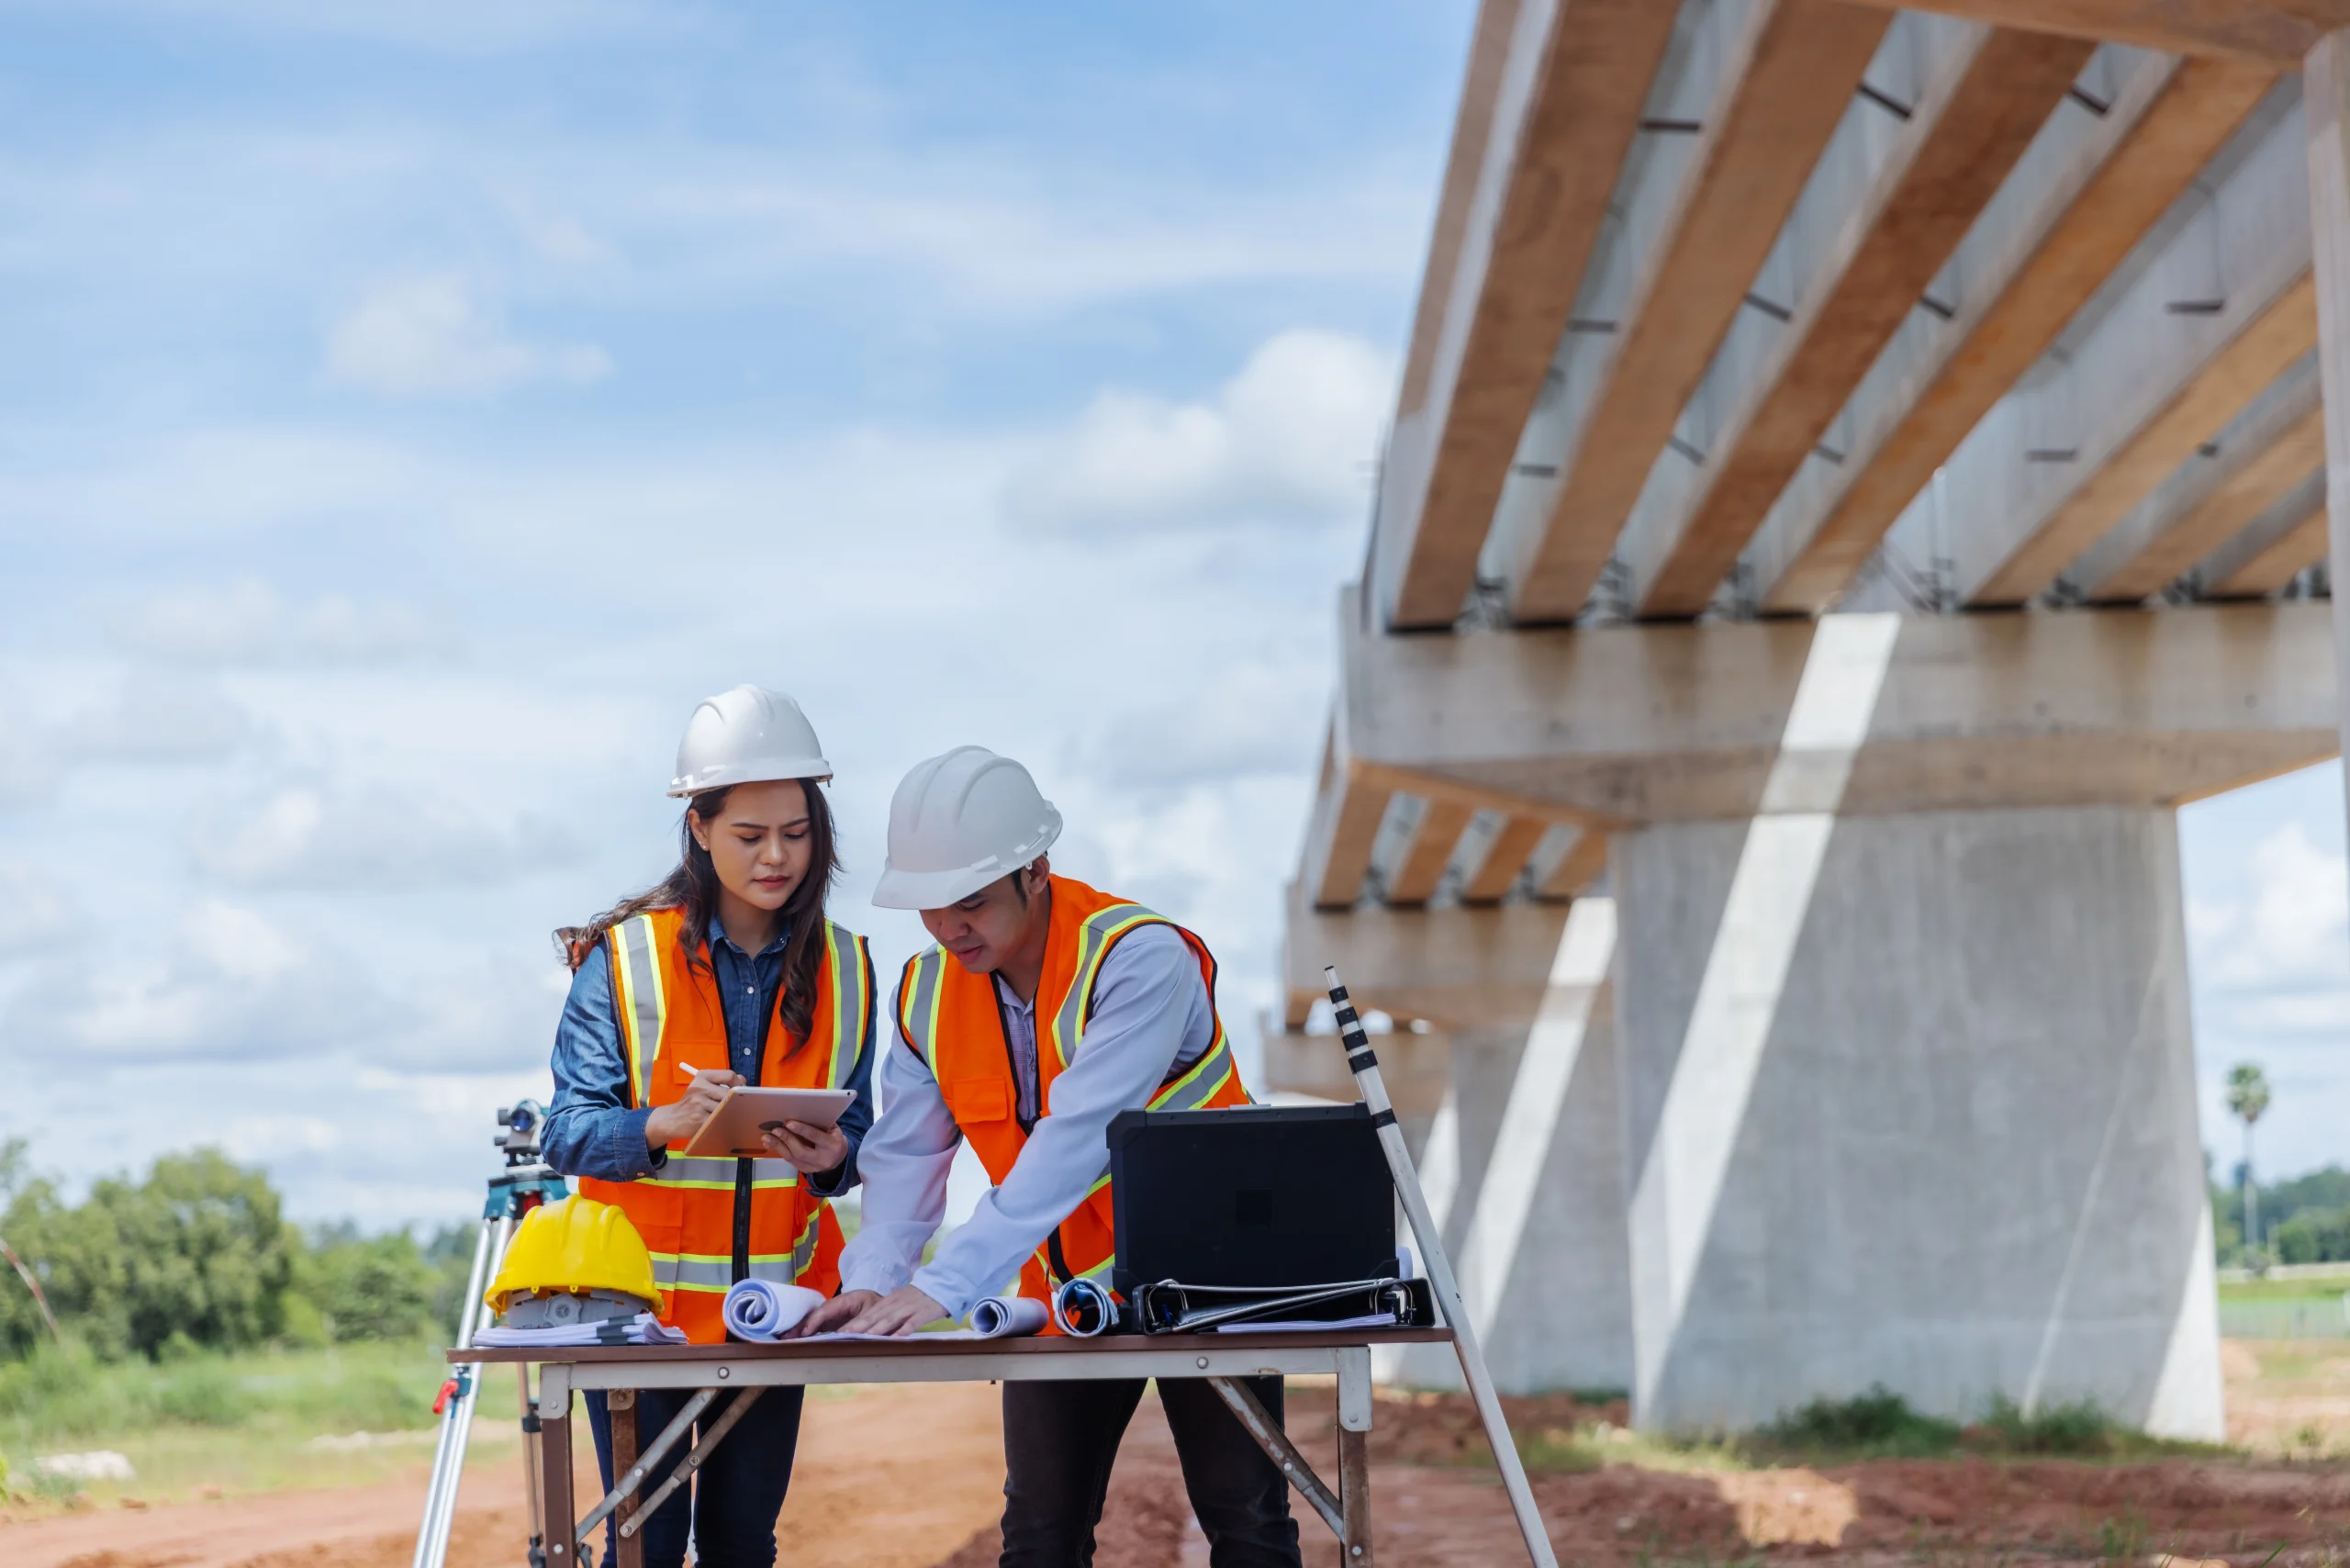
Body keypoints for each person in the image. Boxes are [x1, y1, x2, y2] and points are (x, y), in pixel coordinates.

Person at [795, 745, 1298, 1568]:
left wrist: (944, 1285)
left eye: (972, 903)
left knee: (1247, 1526)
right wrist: (871, 1285)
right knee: (1037, 1539)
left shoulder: (1139, 958)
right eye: (929, 907)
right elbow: (905, 1162)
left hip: (1206, 1282)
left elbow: (1076, 1140)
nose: (950, 928)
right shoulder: (927, 992)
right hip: (1060, 1297)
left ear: (1037, 872)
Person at [542, 685, 877, 1568]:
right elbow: (566, 1131)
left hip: (771, 1314)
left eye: (797, 834)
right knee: (645, 1549)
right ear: (699, 828)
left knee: (742, 1547)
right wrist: (659, 1124)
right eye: (750, 835)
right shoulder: (623, 960)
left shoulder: (848, 968)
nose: (778, 857)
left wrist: (837, 1157)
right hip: (638, 1323)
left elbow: (865, 1144)